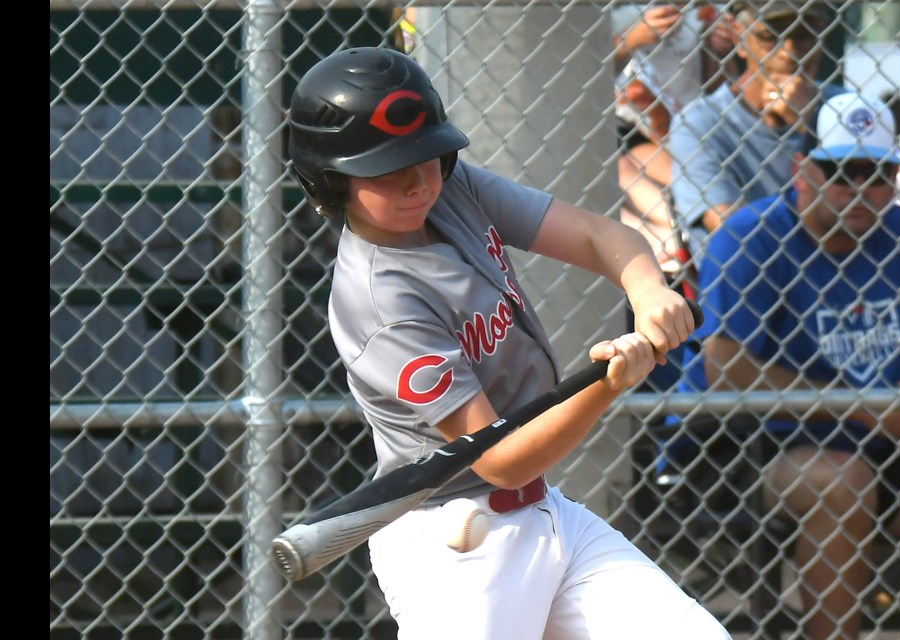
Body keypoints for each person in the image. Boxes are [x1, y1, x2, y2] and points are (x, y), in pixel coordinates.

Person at [287, 47, 730, 639]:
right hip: (455, 549)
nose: (417, 181)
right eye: (386, 169)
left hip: (545, 515)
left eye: (426, 156)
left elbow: (600, 237)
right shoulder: (379, 301)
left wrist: (648, 289)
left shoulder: (453, 188)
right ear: (331, 181)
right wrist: (607, 388)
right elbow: (499, 458)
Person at [667, 91, 900, 640]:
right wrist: (869, 411)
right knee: (840, 481)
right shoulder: (755, 235)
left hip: (877, 437)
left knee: (853, 474)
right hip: (742, 441)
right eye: (841, 172)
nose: (859, 191)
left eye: (875, 175)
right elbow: (727, 369)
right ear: (803, 170)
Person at [667, 0, 844, 272]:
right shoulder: (699, 124)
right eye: (770, 37)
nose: (790, 52)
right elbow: (737, 233)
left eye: (804, 34)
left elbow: (869, 212)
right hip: (752, 285)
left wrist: (807, 126)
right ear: (739, 37)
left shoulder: (843, 107)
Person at [612, 2, 737, 273]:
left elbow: (719, 86)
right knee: (626, 168)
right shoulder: (620, 12)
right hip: (632, 126)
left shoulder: (704, 13)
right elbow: (590, 65)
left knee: (677, 175)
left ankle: (675, 234)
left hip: (686, 125)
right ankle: (669, 236)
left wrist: (716, 48)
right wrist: (631, 39)